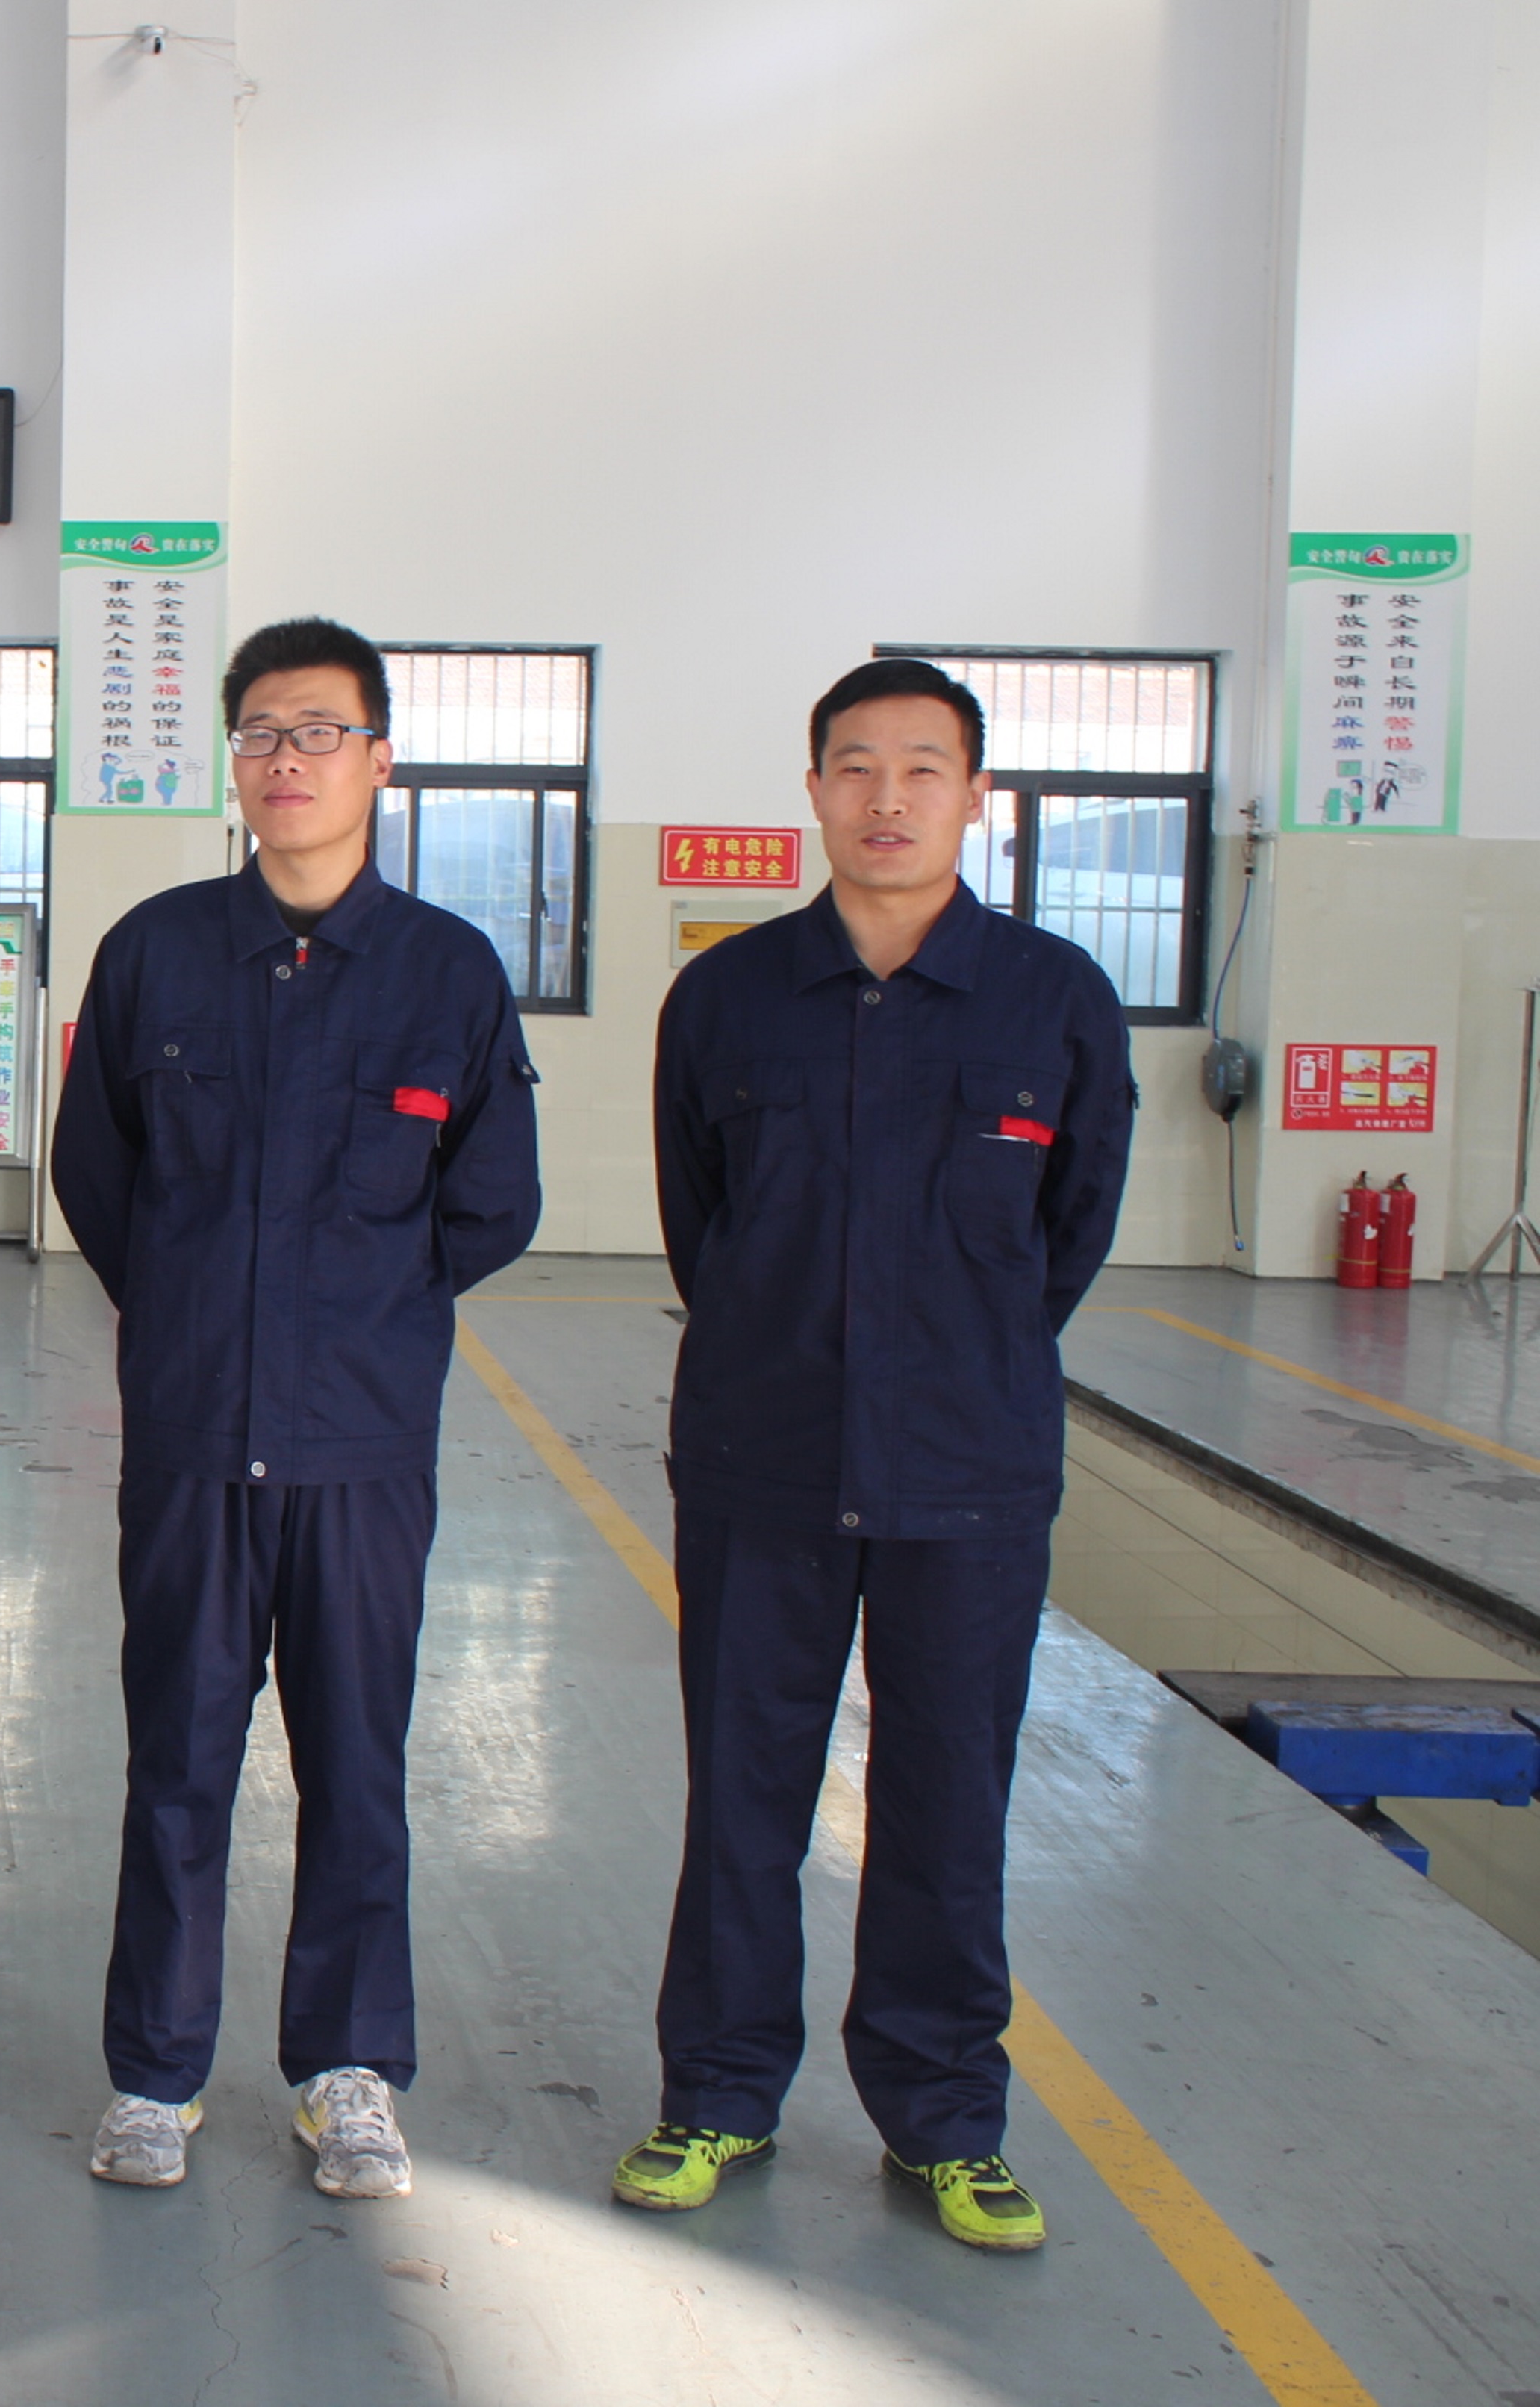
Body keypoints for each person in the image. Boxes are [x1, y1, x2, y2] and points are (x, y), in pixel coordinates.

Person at [612, 658, 1132, 2251]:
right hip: (762, 1457)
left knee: (946, 1802)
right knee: (743, 1793)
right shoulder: (728, 998)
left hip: (968, 1473)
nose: (887, 798)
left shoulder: (1054, 1000)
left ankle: (945, 2120)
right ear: (815, 790)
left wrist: (952, 1359)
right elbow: (702, 1224)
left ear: (976, 796)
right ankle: (718, 2093)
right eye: (855, 766)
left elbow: (1069, 1236)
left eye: (921, 768)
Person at [52, 618, 541, 2196]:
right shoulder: (156, 952)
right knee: (178, 1762)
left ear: (379, 760)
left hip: (362, 1448)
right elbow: (98, 1174)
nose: (288, 759)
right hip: (194, 1435)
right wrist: (197, 1307)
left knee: (357, 1764)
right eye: (261, 731)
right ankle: (155, 2075)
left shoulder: (449, 972)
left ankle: (349, 2069)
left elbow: (494, 1198)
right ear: (234, 759)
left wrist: (363, 1313)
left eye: (321, 731)